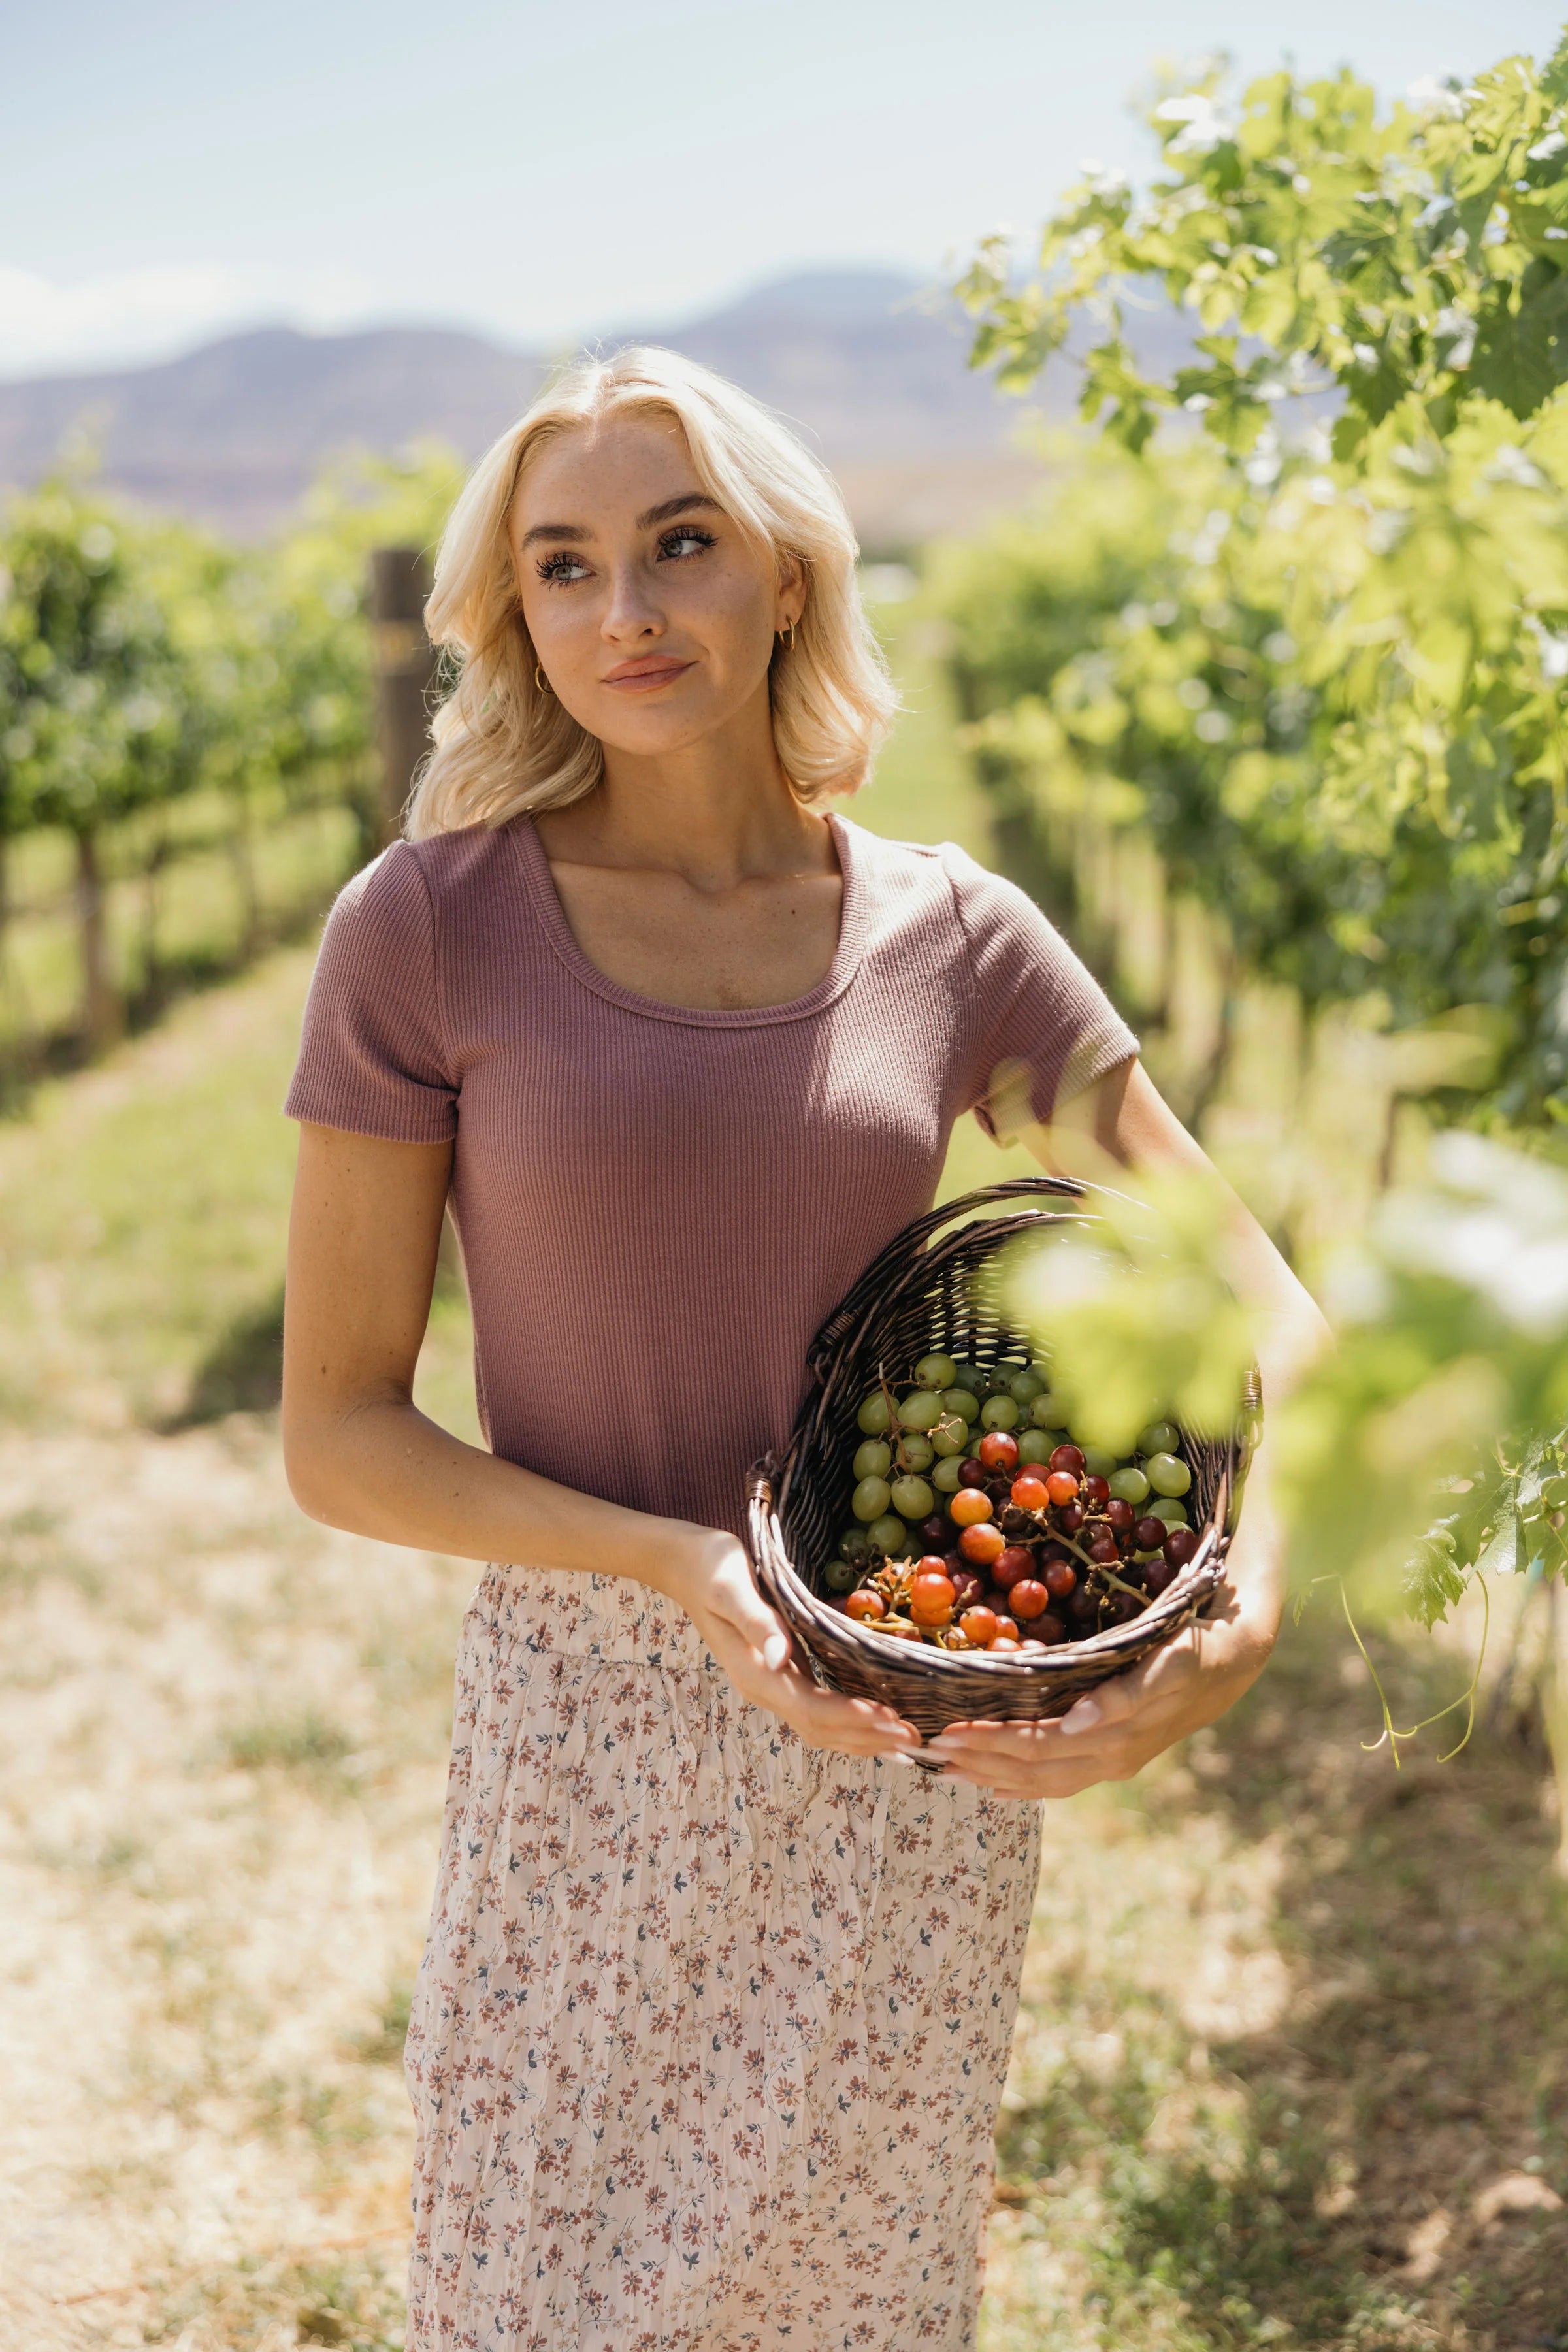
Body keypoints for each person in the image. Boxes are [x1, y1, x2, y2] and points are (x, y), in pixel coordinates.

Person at [281, 346, 1324, 2351]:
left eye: (680, 545)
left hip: (908, 1716)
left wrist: (1241, 1620)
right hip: (594, 1723)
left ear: (786, 577)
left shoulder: (957, 932)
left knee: (857, 2295)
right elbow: (337, 1432)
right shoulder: (423, 932)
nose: (628, 612)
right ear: (515, 617)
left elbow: (1261, 1295)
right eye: (564, 568)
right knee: (538, 2302)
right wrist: (677, 1563)